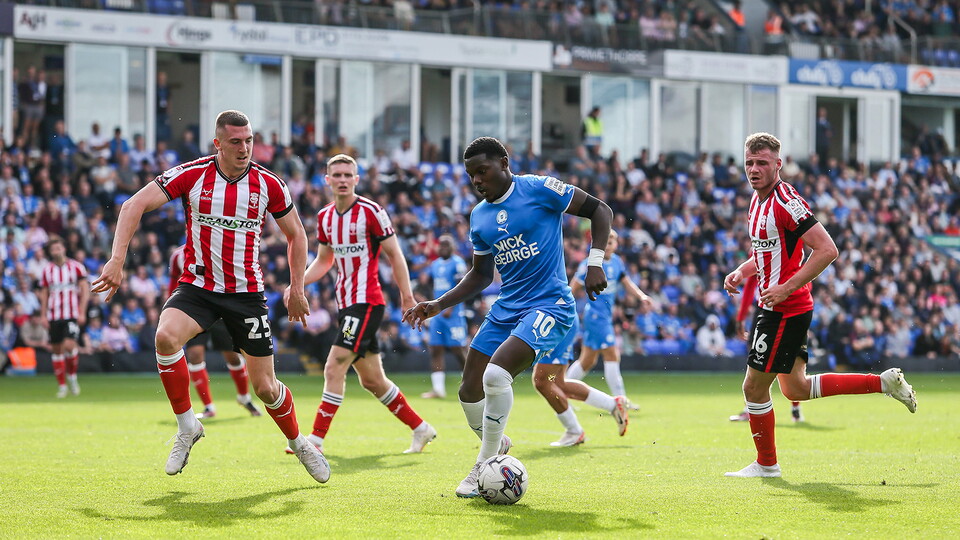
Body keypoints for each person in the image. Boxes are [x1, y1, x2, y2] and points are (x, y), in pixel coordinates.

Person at [91, 110, 329, 483]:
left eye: (248, 140)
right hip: (199, 288)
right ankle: (188, 427)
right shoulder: (192, 174)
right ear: (217, 143)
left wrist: (296, 287)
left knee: (265, 388)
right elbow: (132, 204)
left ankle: (300, 444)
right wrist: (117, 259)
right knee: (165, 337)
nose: (244, 148)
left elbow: (297, 235)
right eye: (235, 141)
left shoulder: (268, 184)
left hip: (246, 293)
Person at [403, 136, 612, 498]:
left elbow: (601, 210)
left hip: (549, 304)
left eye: (482, 171)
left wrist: (595, 262)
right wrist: (438, 304)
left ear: (504, 163)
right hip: (507, 307)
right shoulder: (479, 217)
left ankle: (482, 465)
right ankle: (496, 447)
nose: (477, 181)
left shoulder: (540, 188)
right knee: (468, 391)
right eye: (471, 175)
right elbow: (481, 275)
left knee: (497, 375)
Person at [722, 132, 916, 478]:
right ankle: (883, 383)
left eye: (762, 163)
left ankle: (767, 465)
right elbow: (768, 252)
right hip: (783, 305)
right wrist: (742, 270)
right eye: (749, 162)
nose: (754, 169)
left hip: (784, 308)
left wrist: (785, 287)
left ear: (778, 164)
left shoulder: (785, 201)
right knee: (795, 388)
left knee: (753, 387)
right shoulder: (757, 200)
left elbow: (827, 250)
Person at [289, 153, 436, 456]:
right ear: (327, 180)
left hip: (367, 301)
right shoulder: (325, 216)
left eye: (348, 175)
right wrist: (298, 284)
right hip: (346, 304)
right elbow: (325, 260)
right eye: (337, 175)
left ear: (356, 180)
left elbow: (395, 255)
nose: (342, 180)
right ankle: (421, 429)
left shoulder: (372, 211)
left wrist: (407, 296)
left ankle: (315, 440)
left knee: (334, 365)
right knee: (372, 380)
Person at [168, 245, 263, 419]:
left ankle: (244, 397)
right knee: (195, 354)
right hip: (194, 307)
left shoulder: (217, 245)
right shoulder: (177, 256)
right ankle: (208, 406)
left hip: (220, 307)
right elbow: (174, 282)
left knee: (233, 356)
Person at [565, 230, 653, 410]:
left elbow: (627, 284)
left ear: (616, 245)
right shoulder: (589, 264)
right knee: (613, 355)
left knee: (587, 360)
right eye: (605, 241)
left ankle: (562, 390)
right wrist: (561, 305)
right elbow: (572, 289)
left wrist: (642, 296)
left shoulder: (617, 263)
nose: (608, 245)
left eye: (612, 241)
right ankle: (621, 400)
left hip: (604, 317)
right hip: (596, 317)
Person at [532, 317, 628, 447]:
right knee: (558, 384)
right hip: (556, 319)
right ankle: (613, 404)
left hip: (555, 320)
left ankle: (574, 431)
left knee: (542, 382)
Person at [727, 271, 803, 423]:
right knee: (789, 356)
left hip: (767, 308)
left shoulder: (761, 247)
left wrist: (741, 317)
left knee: (759, 358)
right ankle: (795, 408)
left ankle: (751, 408)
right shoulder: (796, 249)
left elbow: (750, 285)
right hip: (795, 307)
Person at [37, 236, 89, 398]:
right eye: (53, 249)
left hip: (71, 314)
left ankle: (72, 377)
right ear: (50, 252)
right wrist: (43, 314)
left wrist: (82, 311)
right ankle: (62, 385)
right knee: (57, 349)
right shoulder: (47, 270)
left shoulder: (76, 267)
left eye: (58, 248)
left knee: (69, 345)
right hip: (54, 315)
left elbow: (85, 290)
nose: (56, 251)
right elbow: (44, 293)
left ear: (64, 248)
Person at [421, 234, 468, 399]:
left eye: (446, 245)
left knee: (458, 349)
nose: (443, 248)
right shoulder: (434, 265)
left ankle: (471, 381)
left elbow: (462, 287)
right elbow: (429, 285)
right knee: (435, 348)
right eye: (441, 245)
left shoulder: (458, 263)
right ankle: (438, 389)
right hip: (437, 314)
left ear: (453, 247)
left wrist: (451, 306)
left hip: (453, 314)